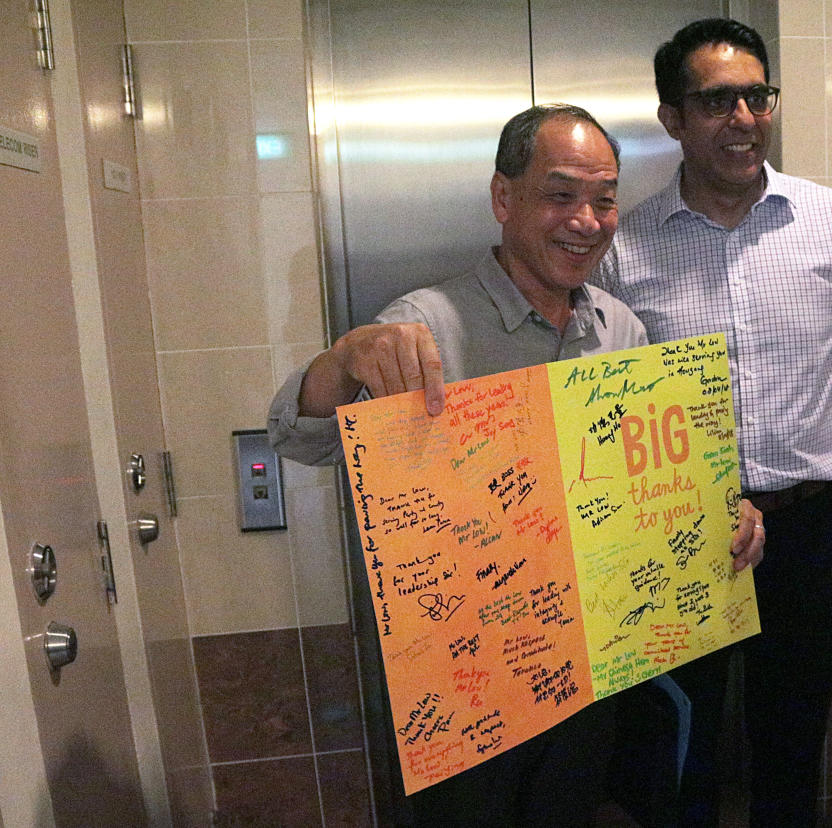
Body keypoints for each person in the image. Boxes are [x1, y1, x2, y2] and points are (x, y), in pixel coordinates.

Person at [267, 104, 764, 826]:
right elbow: (296, 437)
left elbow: (636, 486)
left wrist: (722, 507)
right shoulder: (426, 325)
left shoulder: (617, 327)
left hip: (586, 676)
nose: (586, 221)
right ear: (505, 199)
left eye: (603, 199)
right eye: (560, 195)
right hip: (464, 693)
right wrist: (344, 362)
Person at [590, 18, 832, 828]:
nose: (742, 118)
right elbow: (600, 412)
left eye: (756, 96)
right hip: (673, 537)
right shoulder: (624, 250)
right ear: (673, 117)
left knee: (792, 745)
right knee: (681, 748)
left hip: (808, 527)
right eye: (715, 101)